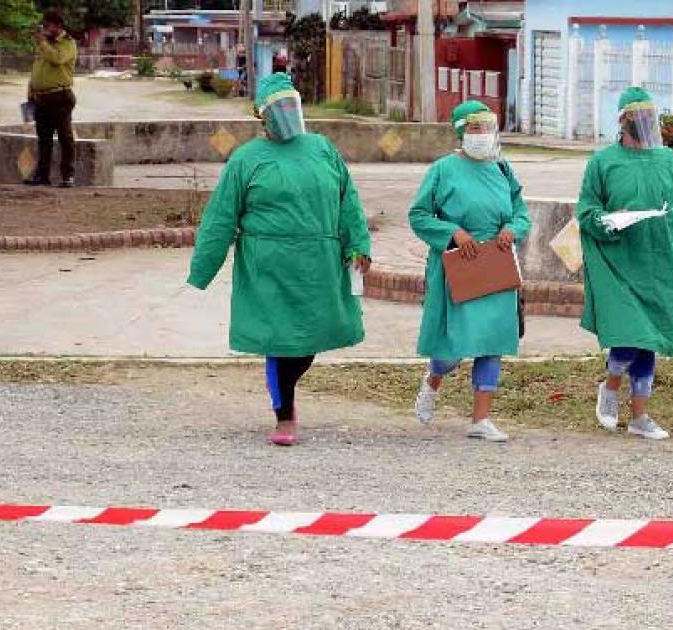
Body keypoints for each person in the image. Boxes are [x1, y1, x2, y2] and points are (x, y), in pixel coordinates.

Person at [187, 72, 372, 446]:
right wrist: (203, 267)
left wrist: (358, 245)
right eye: (279, 107)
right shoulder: (246, 160)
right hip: (268, 267)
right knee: (279, 339)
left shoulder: (321, 148)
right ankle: (284, 415)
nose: (287, 112)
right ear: (262, 115)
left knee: (309, 339)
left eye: (292, 105)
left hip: (319, 263)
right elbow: (221, 215)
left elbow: (347, 200)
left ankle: (286, 395)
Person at [576, 86, 673, 440]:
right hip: (619, 266)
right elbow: (587, 210)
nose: (644, 123)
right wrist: (607, 219)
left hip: (662, 266)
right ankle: (610, 387)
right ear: (621, 121)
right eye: (636, 117)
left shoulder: (668, 161)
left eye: (649, 117)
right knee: (629, 334)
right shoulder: (603, 162)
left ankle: (640, 417)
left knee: (649, 338)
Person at [409, 100, 531, 442]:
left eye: (487, 127)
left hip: (496, 263)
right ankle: (434, 378)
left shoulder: (503, 169)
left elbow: (520, 211)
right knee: (452, 349)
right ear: (461, 132)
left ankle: (481, 419)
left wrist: (512, 229)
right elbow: (419, 215)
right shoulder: (443, 170)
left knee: (492, 341)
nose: (482, 135)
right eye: (474, 129)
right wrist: (453, 232)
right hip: (458, 267)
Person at [24, 10, 78, 188]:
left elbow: (58, 59)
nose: (45, 28)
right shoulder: (44, 45)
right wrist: (31, 92)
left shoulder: (68, 43)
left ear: (58, 26)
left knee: (65, 137)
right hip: (41, 98)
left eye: (48, 25)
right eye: (44, 25)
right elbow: (37, 70)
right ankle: (42, 175)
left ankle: (67, 176)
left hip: (60, 96)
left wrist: (42, 43)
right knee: (43, 139)